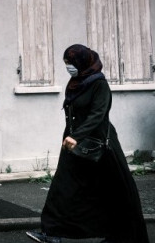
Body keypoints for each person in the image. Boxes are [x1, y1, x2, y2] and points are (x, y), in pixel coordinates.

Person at [26, 44, 149, 243]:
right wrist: (70, 137)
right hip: (74, 144)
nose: (68, 67)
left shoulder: (99, 84)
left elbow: (98, 114)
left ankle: (120, 235)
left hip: (98, 144)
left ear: (82, 61)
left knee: (111, 192)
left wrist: (77, 136)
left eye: (71, 62)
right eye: (66, 63)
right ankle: (52, 233)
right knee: (62, 188)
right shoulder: (76, 82)